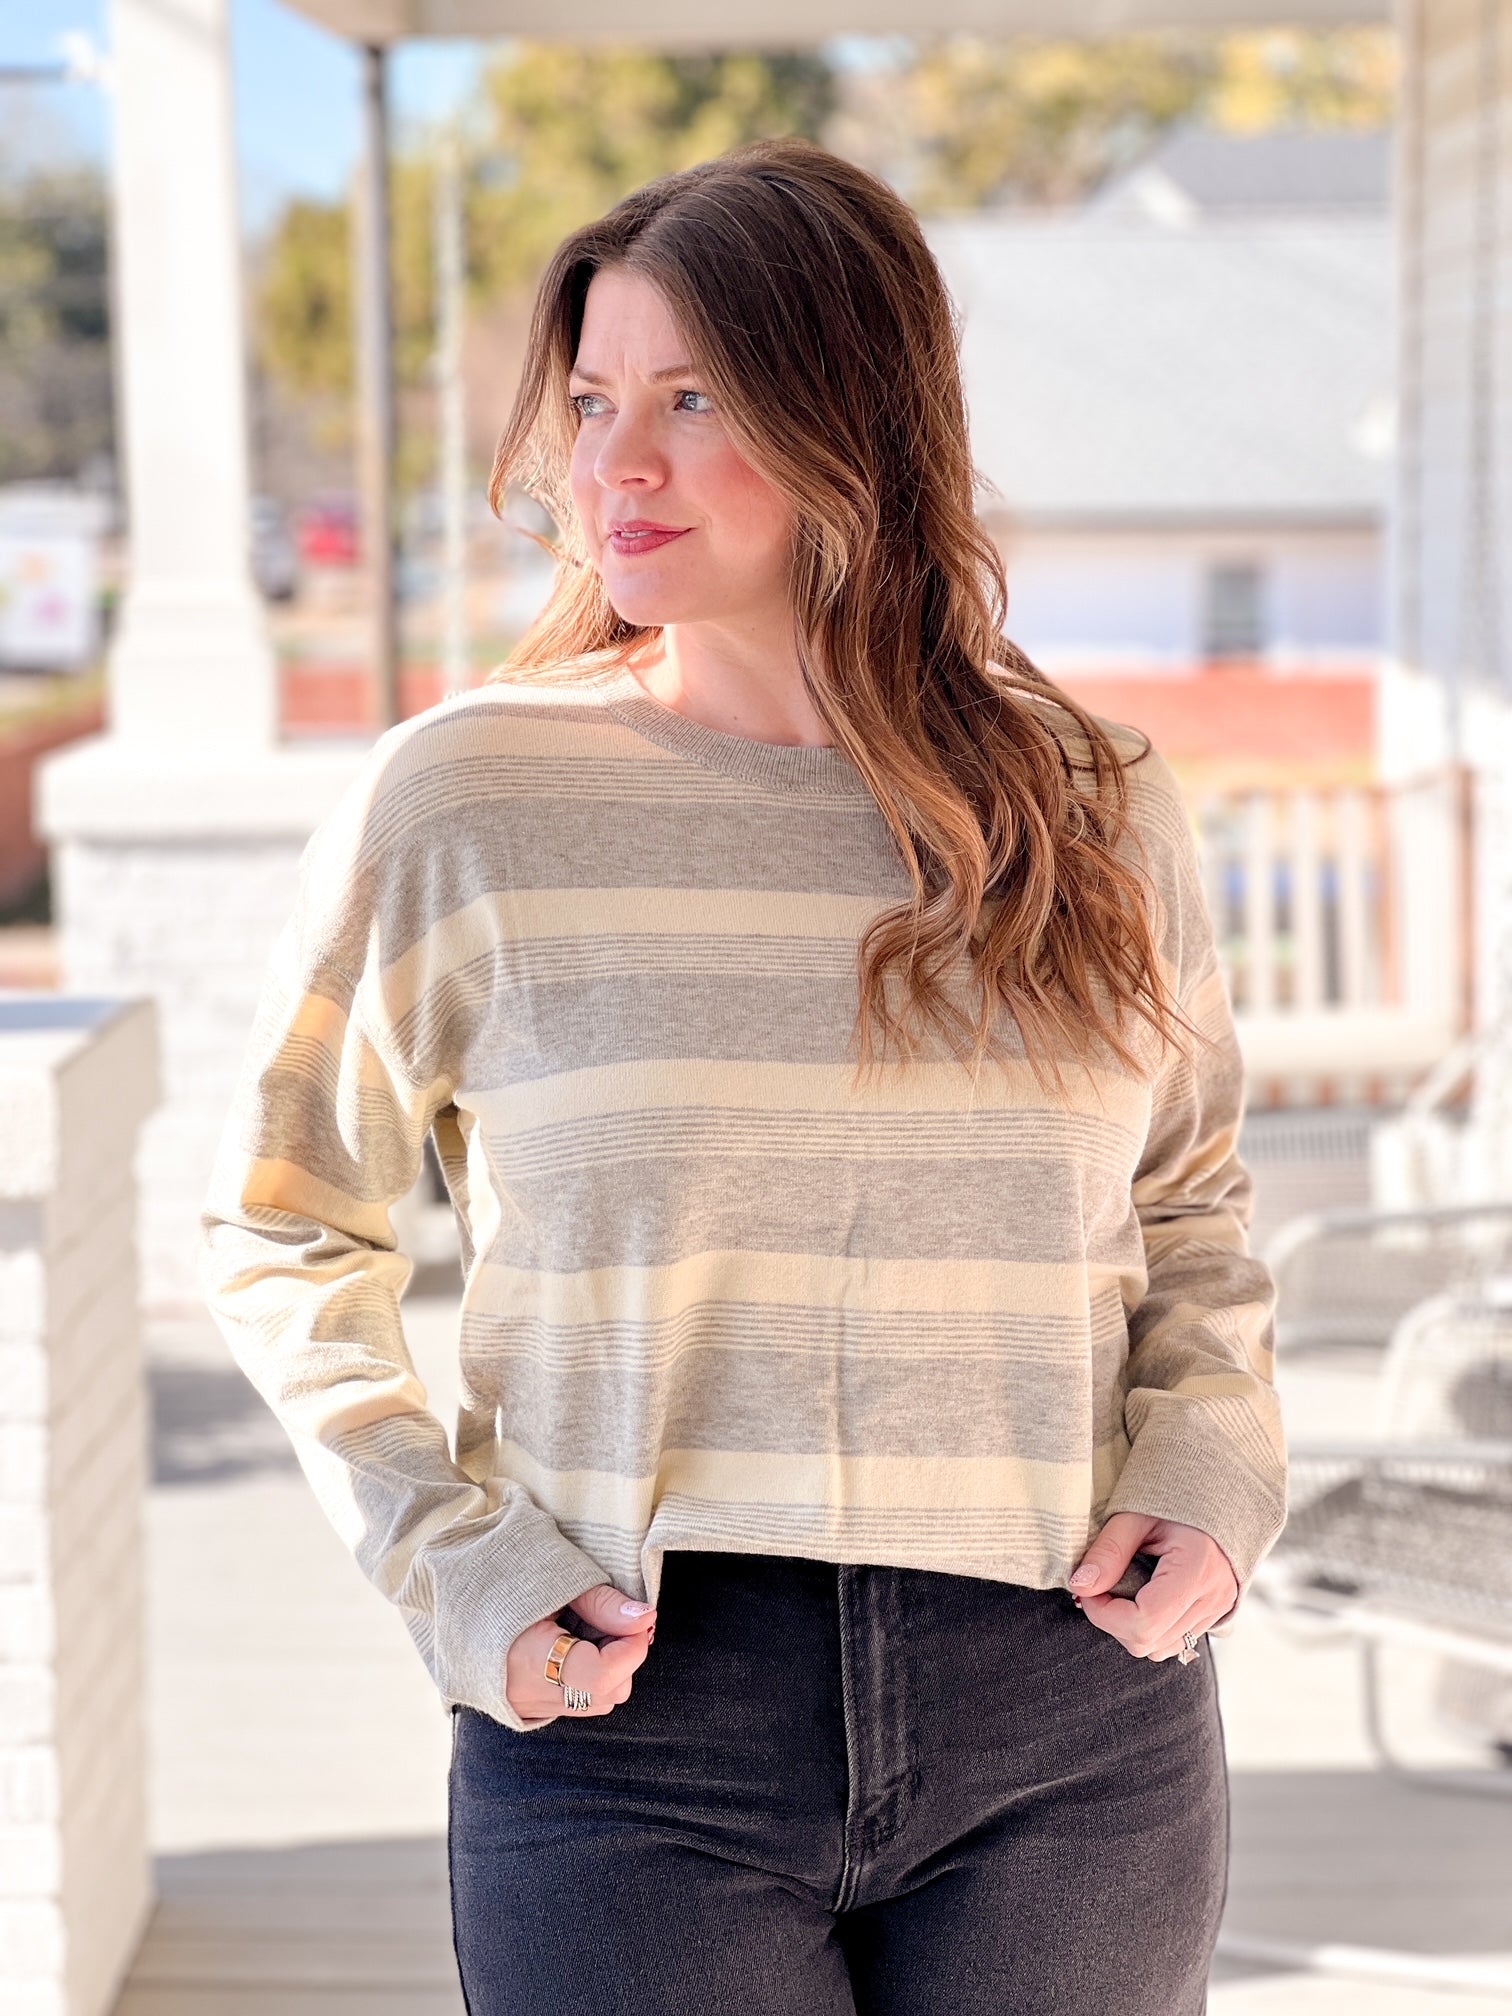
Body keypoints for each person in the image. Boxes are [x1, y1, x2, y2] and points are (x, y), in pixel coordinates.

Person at [200, 137, 1285, 2016]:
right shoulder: (467, 801)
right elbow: (282, 1226)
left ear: (858, 419)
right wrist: (454, 1560)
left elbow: (1186, 1202)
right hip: (632, 1717)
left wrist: (1214, 1467)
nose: (614, 465)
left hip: (1071, 1709)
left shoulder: (1095, 807)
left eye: (693, 400)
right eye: (592, 401)